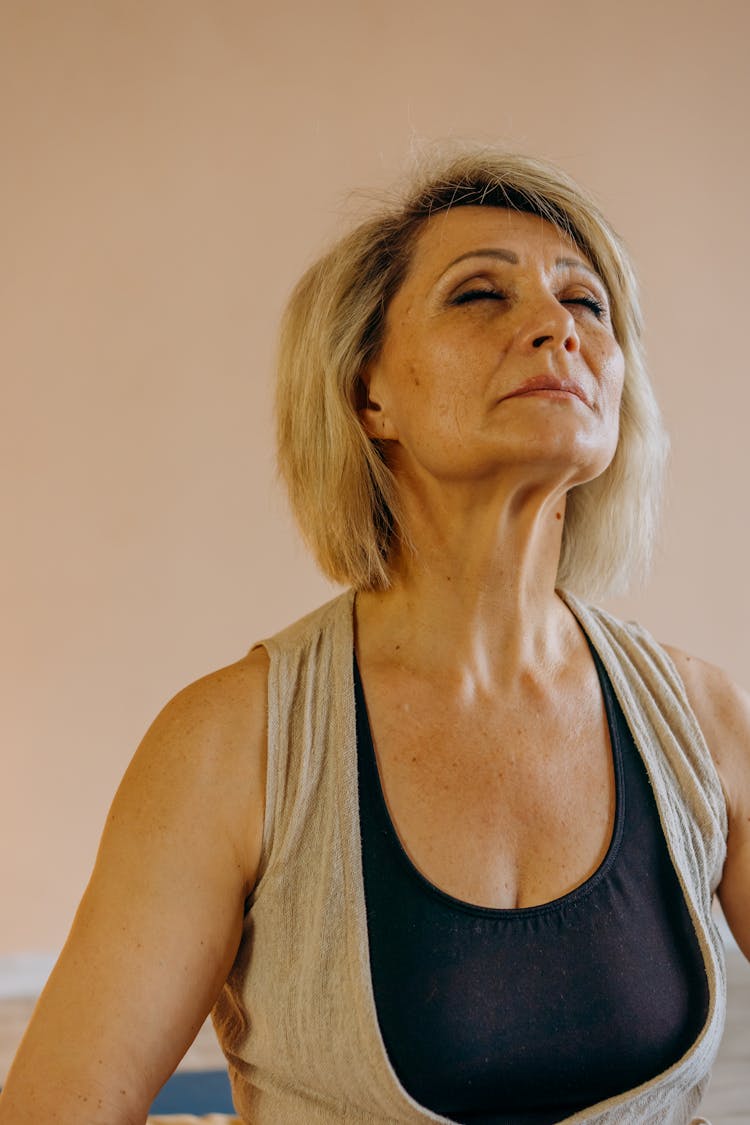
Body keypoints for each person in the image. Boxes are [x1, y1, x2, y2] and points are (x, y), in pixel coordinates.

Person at [1, 147, 748, 1125]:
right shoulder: (231, 745)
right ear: (368, 396)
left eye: (588, 304)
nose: (557, 328)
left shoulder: (700, 719)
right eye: (480, 294)